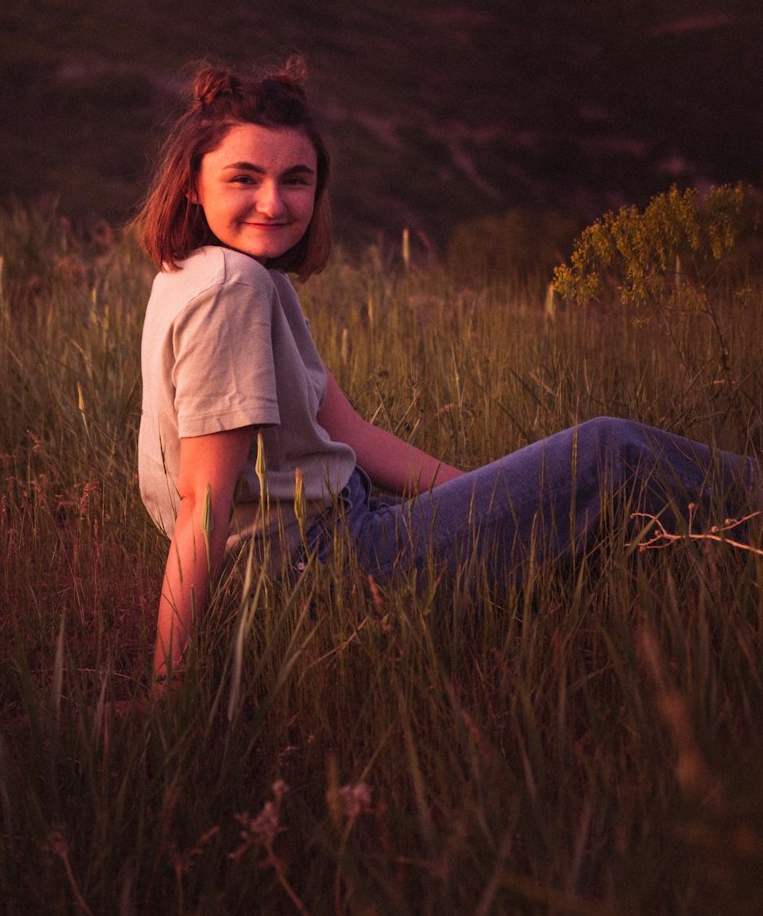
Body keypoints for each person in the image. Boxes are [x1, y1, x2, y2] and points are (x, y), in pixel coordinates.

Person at [134, 58, 759, 688]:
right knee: (612, 451)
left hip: (339, 531)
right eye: (244, 177)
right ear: (193, 183)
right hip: (323, 568)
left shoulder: (215, 272)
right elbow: (203, 502)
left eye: (295, 180)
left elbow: (348, 428)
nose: (273, 202)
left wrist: (493, 501)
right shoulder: (230, 290)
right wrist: (169, 687)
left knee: (589, 498)